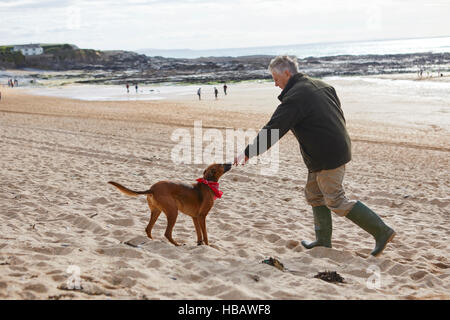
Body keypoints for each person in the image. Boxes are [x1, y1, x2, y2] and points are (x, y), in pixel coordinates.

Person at [233, 55, 396, 257]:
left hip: (327, 155)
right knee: (313, 194)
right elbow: (338, 115)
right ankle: (322, 241)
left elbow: (274, 128)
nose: (275, 84)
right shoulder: (321, 85)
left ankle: (381, 231)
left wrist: (248, 152)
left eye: (275, 78)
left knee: (335, 199)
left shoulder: (296, 97)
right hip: (328, 151)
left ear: (287, 72)